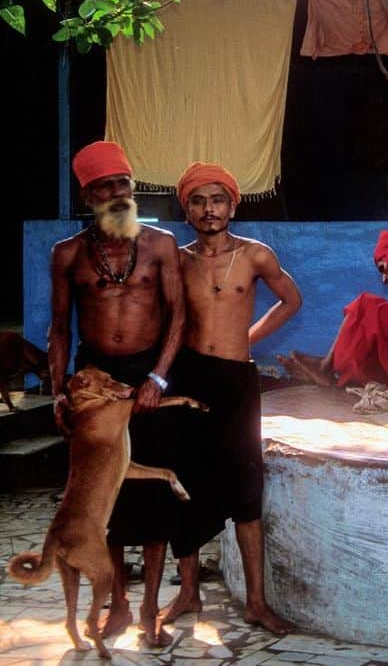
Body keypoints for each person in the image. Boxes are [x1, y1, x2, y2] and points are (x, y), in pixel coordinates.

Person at [48, 140, 185, 646]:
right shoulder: (67, 254)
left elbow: (179, 318)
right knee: (106, 499)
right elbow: (60, 328)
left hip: (150, 377)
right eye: (105, 186)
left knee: (152, 494)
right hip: (96, 387)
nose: (118, 193)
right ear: (88, 195)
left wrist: (160, 379)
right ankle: (121, 605)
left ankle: (150, 609)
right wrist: (60, 391)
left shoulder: (161, 245)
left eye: (123, 183)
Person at [158, 163, 301, 634]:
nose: (208, 209)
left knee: (245, 488)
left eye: (217, 199)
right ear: (187, 210)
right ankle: (189, 592)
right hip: (190, 379)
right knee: (186, 486)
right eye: (198, 201)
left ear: (232, 205)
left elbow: (291, 300)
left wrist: (248, 338)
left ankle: (257, 602)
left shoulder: (257, 255)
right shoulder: (177, 259)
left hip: (238, 381)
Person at [277, 230, 388, 400]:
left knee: (367, 304)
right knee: (374, 328)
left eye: (383, 268)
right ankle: (329, 371)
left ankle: (325, 367)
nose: (384, 279)